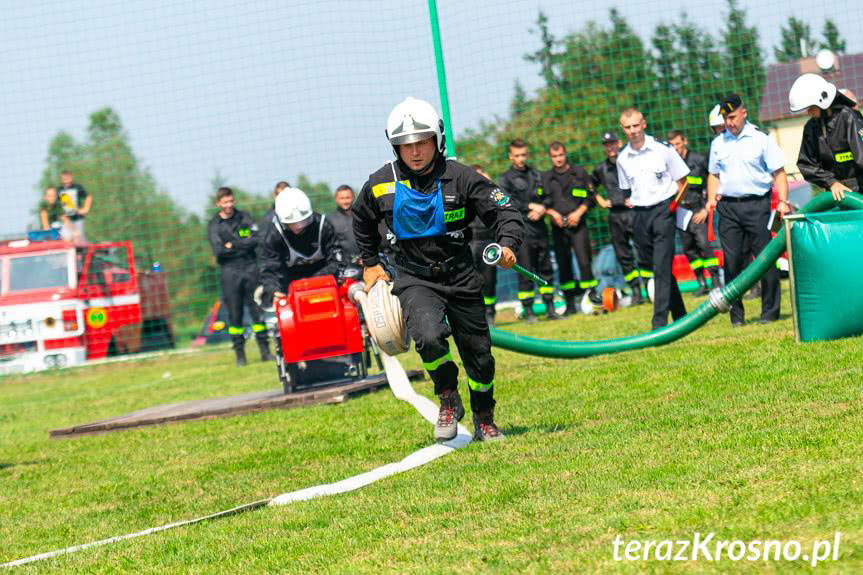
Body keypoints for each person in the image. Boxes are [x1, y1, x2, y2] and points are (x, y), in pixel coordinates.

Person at [352, 97, 523, 442]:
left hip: (461, 274)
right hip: (414, 276)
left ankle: (484, 418)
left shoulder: (462, 178)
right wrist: (370, 264)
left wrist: (507, 245)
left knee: (479, 355)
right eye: (406, 145)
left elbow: (506, 212)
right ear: (395, 146)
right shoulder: (380, 183)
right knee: (428, 337)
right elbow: (361, 218)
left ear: (437, 139)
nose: (415, 152)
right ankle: (447, 396)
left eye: (422, 142)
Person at [706, 94, 789, 327]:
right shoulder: (718, 143)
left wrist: (783, 201)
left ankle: (769, 313)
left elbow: (779, 173)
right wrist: (711, 198)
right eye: (725, 118)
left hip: (757, 206)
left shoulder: (761, 139)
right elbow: (713, 174)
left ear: (744, 113)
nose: (729, 122)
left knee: (764, 259)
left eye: (732, 117)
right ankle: (736, 316)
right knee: (731, 262)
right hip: (728, 208)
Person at [616, 108, 689, 329]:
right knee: (656, 265)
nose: (633, 131)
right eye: (628, 127)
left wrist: (674, 206)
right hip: (640, 214)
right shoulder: (622, 158)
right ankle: (681, 315)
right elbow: (626, 190)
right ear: (623, 129)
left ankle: (659, 322)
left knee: (661, 266)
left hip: (664, 210)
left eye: (636, 125)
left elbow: (683, 180)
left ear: (644, 124)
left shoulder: (662, 149)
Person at [207, 187, 273, 366]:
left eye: (231, 201)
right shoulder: (214, 225)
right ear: (218, 203)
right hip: (229, 271)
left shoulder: (244, 217)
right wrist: (242, 244)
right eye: (225, 202)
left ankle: (265, 352)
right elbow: (219, 251)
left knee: (257, 311)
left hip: (251, 268)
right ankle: (240, 355)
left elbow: (256, 239)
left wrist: (232, 245)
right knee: (235, 314)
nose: (229, 205)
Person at [498, 139, 559, 322]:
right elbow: (507, 202)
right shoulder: (505, 179)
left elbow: (549, 197)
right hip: (521, 231)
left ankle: (550, 308)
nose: (521, 159)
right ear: (510, 156)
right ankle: (529, 311)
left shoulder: (536, 174)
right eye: (517, 155)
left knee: (546, 268)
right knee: (525, 271)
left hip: (540, 228)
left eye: (524, 154)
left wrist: (542, 208)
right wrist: (530, 207)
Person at [542, 141, 600, 315]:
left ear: (565, 154)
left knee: (584, 261)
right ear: (550, 157)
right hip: (558, 227)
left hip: (578, 224)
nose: (558, 159)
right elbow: (542, 202)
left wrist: (578, 213)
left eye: (561, 155)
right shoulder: (545, 178)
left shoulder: (579, 173)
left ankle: (592, 299)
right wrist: (553, 214)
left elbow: (590, 197)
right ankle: (570, 304)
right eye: (554, 156)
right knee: (563, 264)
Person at [259, 187, 341, 305]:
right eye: (292, 223)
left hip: (324, 279)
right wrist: (272, 289)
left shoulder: (323, 225)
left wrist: (313, 281)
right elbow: (269, 265)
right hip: (290, 283)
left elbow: (336, 260)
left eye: (303, 221)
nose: (298, 227)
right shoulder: (274, 234)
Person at [790, 74, 863, 199]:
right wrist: (831, 182)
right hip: (835, 194)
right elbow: (805, 164)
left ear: (823, 101)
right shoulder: (811, 127)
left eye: (811, 108)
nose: (809, 112)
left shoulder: (848, 117)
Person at [591, 132, 644, 305]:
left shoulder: (631, 161)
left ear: (619, 143)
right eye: (606, 144)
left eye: (612, 143)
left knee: (643, 250)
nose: (610, 147)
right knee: (623, 255)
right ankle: (636, 292)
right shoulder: (600, 168)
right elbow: (589, 186)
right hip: (615, 215)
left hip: (634, 212)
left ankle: (651, 287)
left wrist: (637, 197)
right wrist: (600, 200)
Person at [668, 130, 721, 296]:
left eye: (678, 144)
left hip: (698, 209)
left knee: (704, 246)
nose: (675, 148)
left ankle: (716, 281)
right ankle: (701, 282)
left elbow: (712, 183)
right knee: (689, 248)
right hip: (680, 211)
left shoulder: (699, 160)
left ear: (685, 141)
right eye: (672, 145)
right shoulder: (669, 163)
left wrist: (706, 209)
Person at [468, 165, 499, 326]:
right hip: (470, 241)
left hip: (488, 241)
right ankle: (475, 315)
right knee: (471, 280)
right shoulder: (463, 194)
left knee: (489, 280)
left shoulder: (491, 193)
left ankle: (490, 313)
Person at [327, 185, 361, 263]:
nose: (345, 201)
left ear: (353, 197)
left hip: (366, 261)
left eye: (348, 197)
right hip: (343, 264)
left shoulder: (362, 216)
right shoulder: (329, 220)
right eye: (342, 198)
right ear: (336, 199)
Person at [58, 171, 91, 242]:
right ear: (61, 179)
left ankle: (85, 246)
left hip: (78, 219)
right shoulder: (59, 190)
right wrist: (61, 215)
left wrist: (86, 209)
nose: (66, 181)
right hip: (66, 220)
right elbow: (57, 206)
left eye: (68, 178)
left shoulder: (77, 187)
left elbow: (88, 197)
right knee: (66, 238)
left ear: (71, 178)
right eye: (64, 179)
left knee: (79, 239)